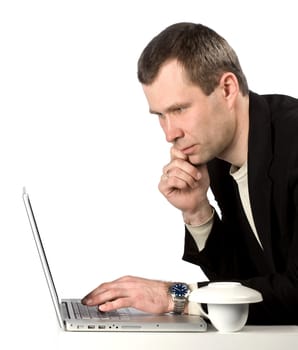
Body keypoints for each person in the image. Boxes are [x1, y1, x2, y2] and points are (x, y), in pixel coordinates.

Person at [82, 22, 298, 324]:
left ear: (227, 89)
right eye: (160, 115)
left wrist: (174, 296)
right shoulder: (219, 159)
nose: (170, 134)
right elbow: (248, 285)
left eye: (180, 109)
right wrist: (198, 212)